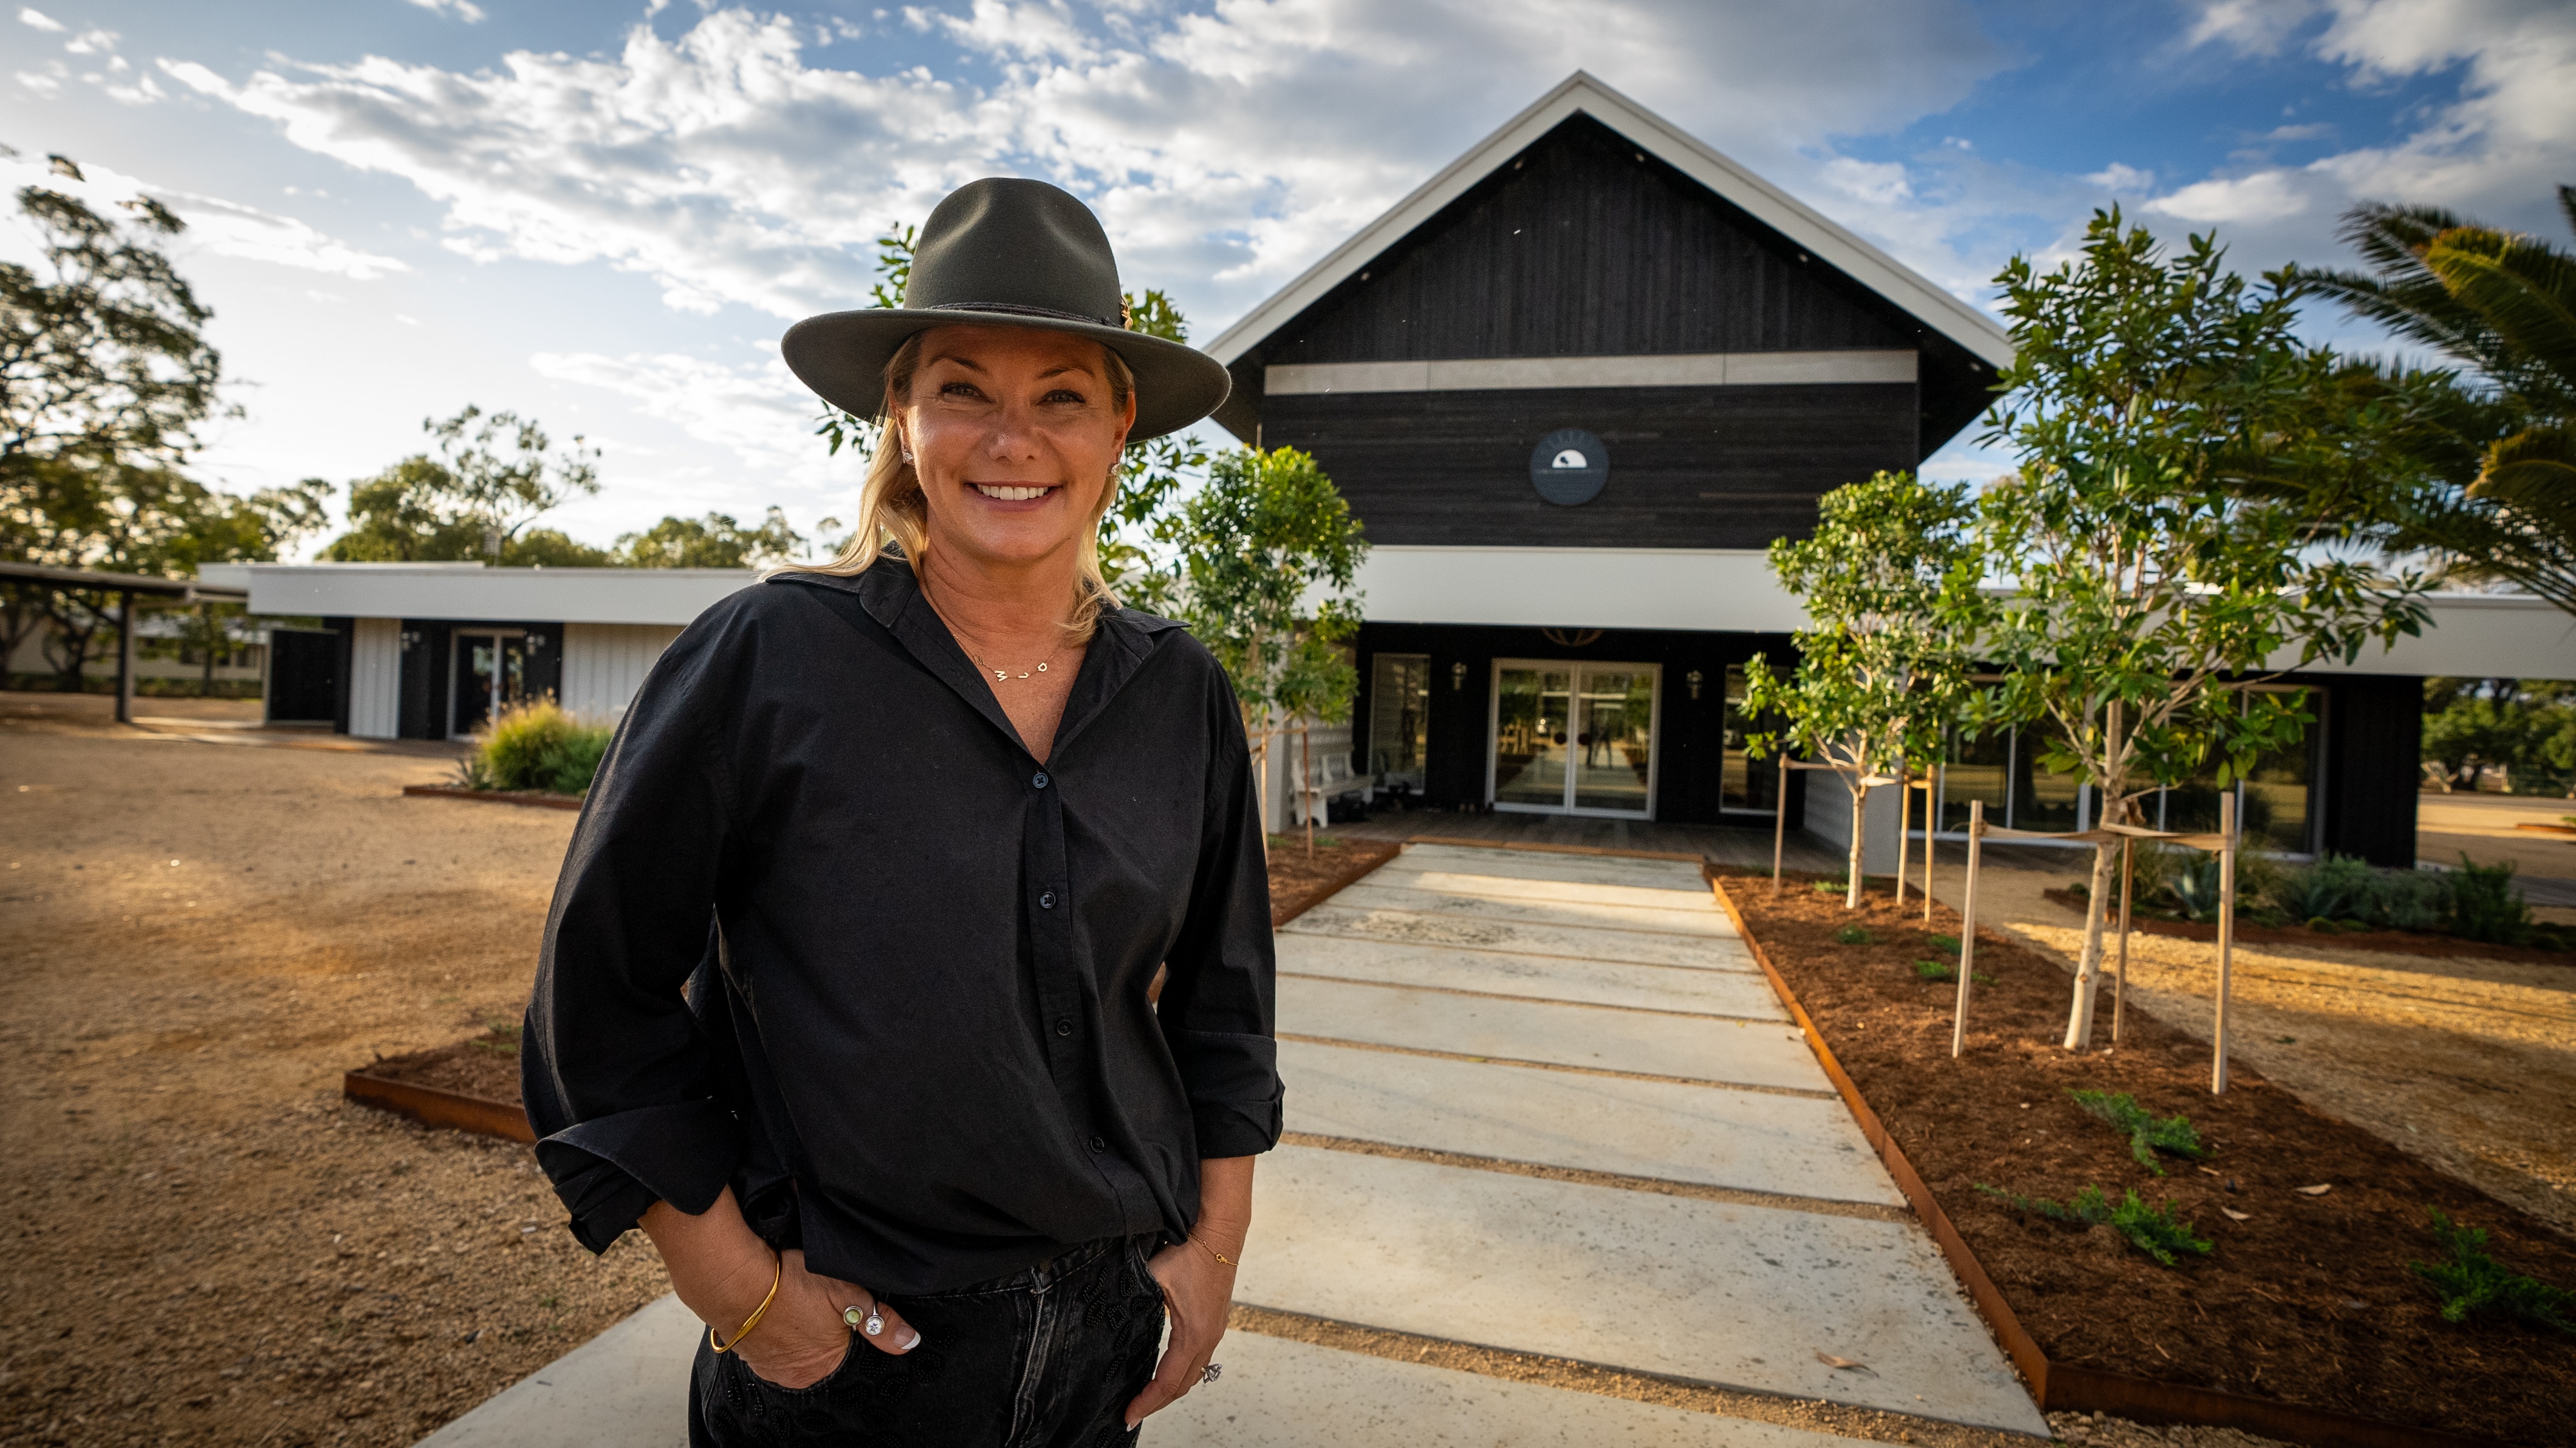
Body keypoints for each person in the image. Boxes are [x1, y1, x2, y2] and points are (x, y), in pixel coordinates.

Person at [521, 177, 1278, 1447]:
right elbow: (596, 994)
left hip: (1105, 1326)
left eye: (1060, 397)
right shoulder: (765, 656)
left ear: (1118, 427)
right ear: (901, 410)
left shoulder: (1179, 690)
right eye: (963, 389)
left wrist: (1211, 1252)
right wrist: (738, 1290)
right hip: (852, 1344)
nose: (1010, 439)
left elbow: (1223, 1001)